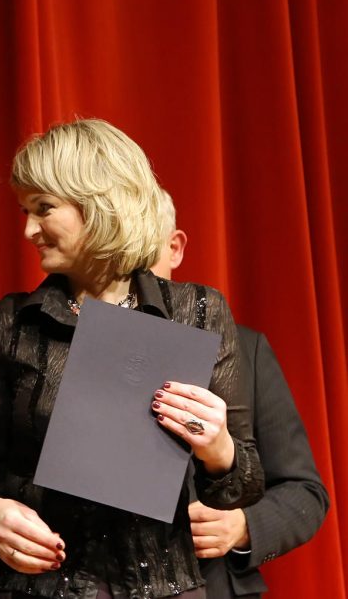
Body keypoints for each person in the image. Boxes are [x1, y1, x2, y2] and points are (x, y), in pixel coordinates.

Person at [0, 118, 264, 598]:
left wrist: (217, 447)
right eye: (26, 211)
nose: (29, 229)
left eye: (44, 209)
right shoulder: (15, 321)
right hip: (38, 589)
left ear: (100, 206)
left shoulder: (198, 310)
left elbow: (243, 485)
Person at [152, 191, 329, 598]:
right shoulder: (64, 345)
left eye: (142, 247)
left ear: (174, 248)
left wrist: (244, 525)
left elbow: (305, 492)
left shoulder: (244, 348)